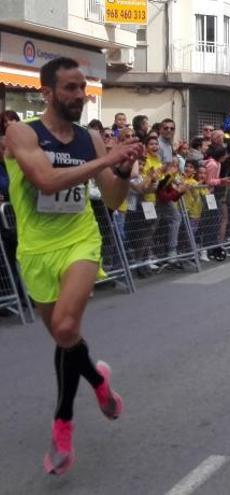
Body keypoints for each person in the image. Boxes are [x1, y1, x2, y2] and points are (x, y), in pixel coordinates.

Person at [4, 57, 139, 475]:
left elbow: (113, 199)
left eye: (83, 88)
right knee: (67, 338)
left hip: (80, 240)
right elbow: (46, 182)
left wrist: (123, 169)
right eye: (70, 88)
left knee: (65, 328)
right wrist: (105, 159)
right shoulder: (22, 132)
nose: (80, 95)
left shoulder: (89, 140)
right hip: (37, 249)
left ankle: (62, 425)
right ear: (47, 92)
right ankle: (99, 383)